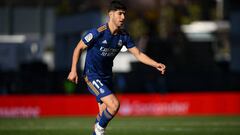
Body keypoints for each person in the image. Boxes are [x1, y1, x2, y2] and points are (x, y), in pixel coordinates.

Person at [67, 1, 166, 135]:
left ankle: (97, 132)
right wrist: (73, 70)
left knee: (103, 113)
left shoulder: (124, 36)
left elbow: (138, 54)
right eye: (120, 14)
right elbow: (78, 48)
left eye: (124, 14)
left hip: (107, 77)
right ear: (111, 14)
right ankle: (100, 130)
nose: (123, 17)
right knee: (114, 105)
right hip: (92, 75)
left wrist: (156, 64)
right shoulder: (98, 33)